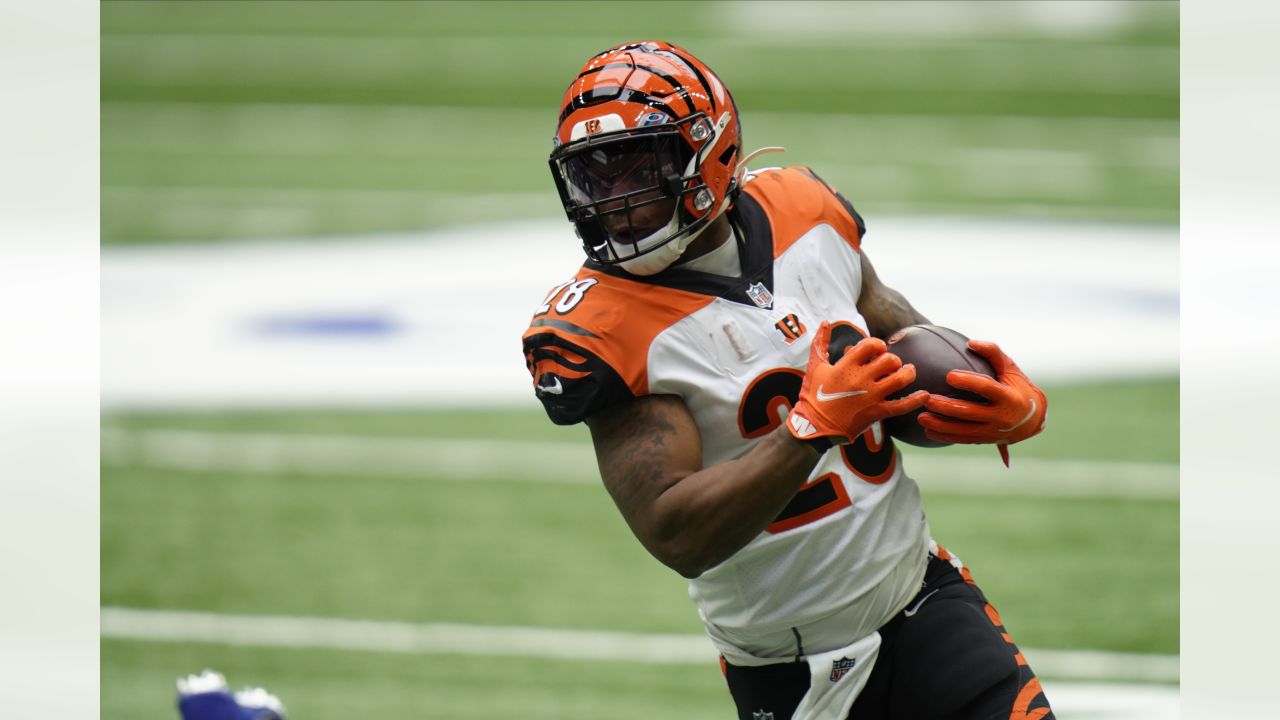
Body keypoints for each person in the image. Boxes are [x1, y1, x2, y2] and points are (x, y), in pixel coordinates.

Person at [521, 40, 1051, 720]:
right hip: (801, 672)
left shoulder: (805, 212)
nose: (615, 200)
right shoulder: (600, 328)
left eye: (637, 170)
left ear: (708, 155)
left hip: (925, 596)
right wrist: (808, 431)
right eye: (595, 176)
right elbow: (676, 534)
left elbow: (905, 342)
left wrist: (1001, 400)